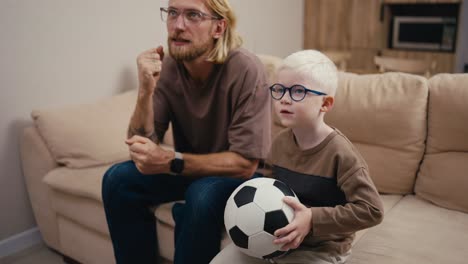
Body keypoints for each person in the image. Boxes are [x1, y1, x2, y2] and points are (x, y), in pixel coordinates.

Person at [101, 0, 271, 263]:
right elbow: (140, 145)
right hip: (191, 169)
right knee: (117, 179)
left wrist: (171, 160)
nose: (178, 26)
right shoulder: (168, 67)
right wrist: (146, 90)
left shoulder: (245, 69)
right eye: (172, 13)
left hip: (242, 177)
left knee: (201, 194)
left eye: (192, 15)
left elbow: (245, 164)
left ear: (218, 27)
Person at [211, 50, 384, 264]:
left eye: (298, 91)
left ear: (326, 104)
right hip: (272, 239)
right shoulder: (280, 142)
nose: (284, 99)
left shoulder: (341, 153)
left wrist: (312, 218)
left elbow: (372, 210)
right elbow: (266, 185)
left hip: (319, 248)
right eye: (280, 90)